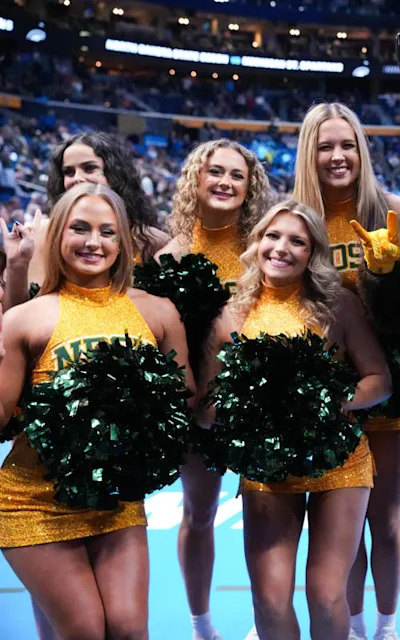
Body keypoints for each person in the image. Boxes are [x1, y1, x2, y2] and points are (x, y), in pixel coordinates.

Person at [0, 183, 193, 639]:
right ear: (57, 236)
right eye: (80, 228)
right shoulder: (25, 318)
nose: (94, 242)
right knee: (85, 630)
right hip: (34, 499)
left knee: (128, 629)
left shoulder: (159, 313)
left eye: (108, 232)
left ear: (123, 243)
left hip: (117, 500)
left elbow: (182, 401)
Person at [197, 200, 391, 639]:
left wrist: (325, 403)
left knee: (325, 594)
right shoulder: (230, 315)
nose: (281, 248)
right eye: (272, 236)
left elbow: (380, 381)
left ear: (312, 253)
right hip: (266, 468)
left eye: (297, 241)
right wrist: (248, 408)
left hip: (338, 460)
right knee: (269, 598)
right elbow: (206, 411)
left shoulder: (338, 305)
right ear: (257, 242)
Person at [291, 102, 400, 640]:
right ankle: (351, 625)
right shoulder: (292, 223)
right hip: (323, 398)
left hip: (389, 385)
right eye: (326, 146)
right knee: (339, 532)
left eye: (348, 145)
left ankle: (387, 627)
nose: (338, 156)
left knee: (386, 518)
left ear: (363, 152)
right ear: (309, 154)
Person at [158, 138, 271, 640]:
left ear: (250, 188)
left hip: (259, 407)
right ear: (196, 181)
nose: (225, 182)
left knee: (267, 517)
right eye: (215, 172)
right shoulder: (170, 253)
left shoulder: (265, 250)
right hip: (194, 407)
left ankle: (265, 619)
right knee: (199, 512)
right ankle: (201, 624)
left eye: (237, 175)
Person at [2, 132, 170, 311]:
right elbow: (15, 318)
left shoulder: (152, 241)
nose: (77, 178)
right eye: (69, 172)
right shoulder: (41, 233)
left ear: (115, 174)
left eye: (89, 168)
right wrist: (16, 266)